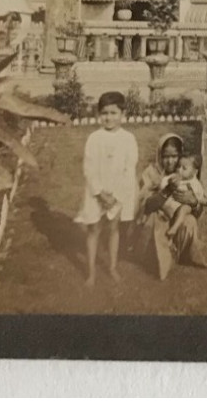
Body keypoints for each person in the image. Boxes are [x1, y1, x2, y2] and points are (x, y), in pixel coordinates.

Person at [74, 91, 139, 286]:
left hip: (117, 194)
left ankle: (112, 267)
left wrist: (116, 196)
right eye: (104, 113)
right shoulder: (94, 138)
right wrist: (99, 192)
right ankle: (91, 272)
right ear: (98, 115)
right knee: (94, 230)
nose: (108, 118)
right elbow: (89, 167)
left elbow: (130, 169)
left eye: (113, 113)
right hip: (97, 193)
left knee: (113, 229)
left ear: (123, 114)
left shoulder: (128, 139)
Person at [136, 133, 207, 280]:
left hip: (175, 221)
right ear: (159, 155)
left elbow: (197, 212)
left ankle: (179, 253)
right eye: (166, 156)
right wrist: (167, 191)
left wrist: (193, 202)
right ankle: (156, 259)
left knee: (190, 221)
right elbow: (146, 205)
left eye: (174, 156)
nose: (170, 161)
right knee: (155, 220)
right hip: (156, 222)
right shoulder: (151, 173)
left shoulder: (184, 172)